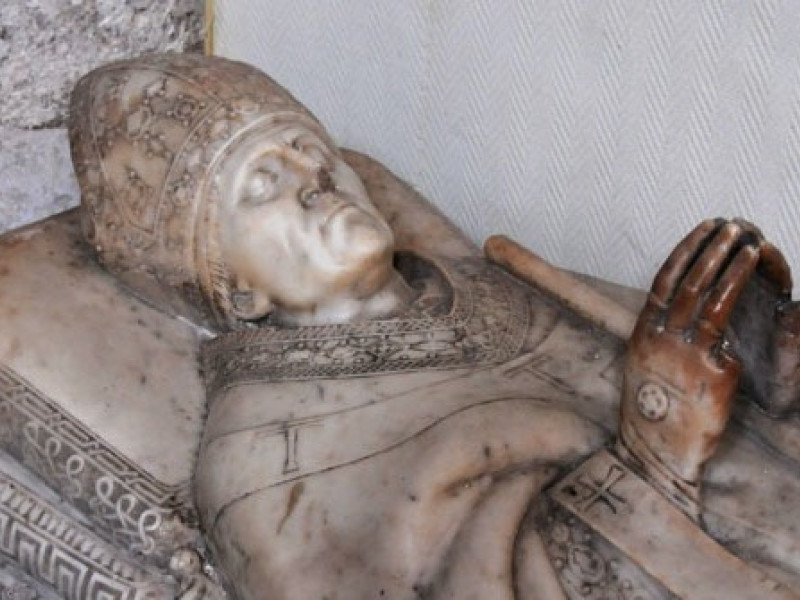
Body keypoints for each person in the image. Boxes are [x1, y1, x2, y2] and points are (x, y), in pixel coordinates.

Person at [7, 53, 798, 598]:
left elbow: (710, 388)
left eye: (312, 152)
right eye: (263, 186)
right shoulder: (266, 475)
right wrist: (656, 449)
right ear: (236, 290)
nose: (317, 182)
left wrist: (767, 358)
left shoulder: (479, 284)